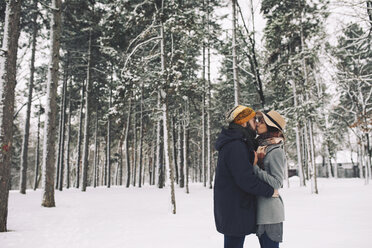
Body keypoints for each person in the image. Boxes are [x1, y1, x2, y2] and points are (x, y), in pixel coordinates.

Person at [214, 105, 279, 248]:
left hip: (235, 206)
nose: (256, 123)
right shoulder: (235, 145)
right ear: (243, 122)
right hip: (234, 209)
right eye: (253, 120)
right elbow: (245, 179)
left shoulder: (240, 142)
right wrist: (269, 191)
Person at [253, 110, 286, 248]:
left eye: (262, 121)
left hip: (270, 214)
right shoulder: (262, 147)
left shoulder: (275, 150)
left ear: (270, 126)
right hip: (261, 211)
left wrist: (255, 167)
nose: (258, 123)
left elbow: (277, 182)